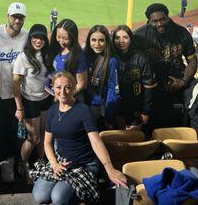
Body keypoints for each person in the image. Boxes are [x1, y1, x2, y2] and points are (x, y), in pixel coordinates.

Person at [31, 72, 127, 205]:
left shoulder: (83, 110)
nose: (63, 92)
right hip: (61, 162)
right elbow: (47, 143)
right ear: (53, 87)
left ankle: (83, 195)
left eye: (68, 87)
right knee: (40, 196)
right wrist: (54, 164)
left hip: (83, 164)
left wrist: (109, 169)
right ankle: (68, 187)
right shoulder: (52, 110)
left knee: (58, 198)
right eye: (59, 87)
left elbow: (96, 142)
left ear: (74, 88)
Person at [134, 3, 198, 138]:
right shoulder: (140, 36)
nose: (159, 24)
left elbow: (192, 61)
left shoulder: (181, 32)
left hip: (179, 76)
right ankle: (154, 143)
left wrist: (183, 81)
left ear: (168, 17)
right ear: (149, 21)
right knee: (156, 113)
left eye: (162, 19)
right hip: (153, 82)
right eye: (155, 21)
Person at [0, 2, 28, 183]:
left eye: (20, 18)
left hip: (15, 95)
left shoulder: (27, 36)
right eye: (14, 16)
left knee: (14, 131)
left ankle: (14, 161)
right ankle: (2, 162)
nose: (17, 20)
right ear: (7, 16)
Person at [13, 23, 53, 177]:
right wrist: (19, 108)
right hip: (30, 101)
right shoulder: (23, 57)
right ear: (30, 38)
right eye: (35, 37)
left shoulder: (47, 54)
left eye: (42, 38)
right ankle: (22, 162)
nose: (38, 41)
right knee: (33, 138)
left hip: (45, 99)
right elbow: (15, 83)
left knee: (44, 134)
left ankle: (40, 160)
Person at [112, 25, 157, 131]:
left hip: (135, 107)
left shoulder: (141, 58)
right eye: (117, 38)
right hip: (116, 106)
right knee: (119, 139)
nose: (121, 41)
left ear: (131, 39)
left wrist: (146, 111)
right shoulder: (111, 58)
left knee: (133, 138)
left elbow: (149, 87)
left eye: (125, 37)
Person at [83, 25, 118, 129]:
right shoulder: (83, 56)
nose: (97, 44)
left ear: (107, 41)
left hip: (97, 107)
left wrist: (109, 115)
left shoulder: (111, 61)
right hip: (81, 103)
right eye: (93, 40)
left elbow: (113, 89)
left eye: (101, 40)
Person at [47, 19, 87, 97]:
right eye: (58, 37)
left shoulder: (78, 56)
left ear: (73, 38)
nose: (61, 41)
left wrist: (64, 96)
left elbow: (82, 84)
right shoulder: (57, 48)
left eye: (65, 38)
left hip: (69, 98)